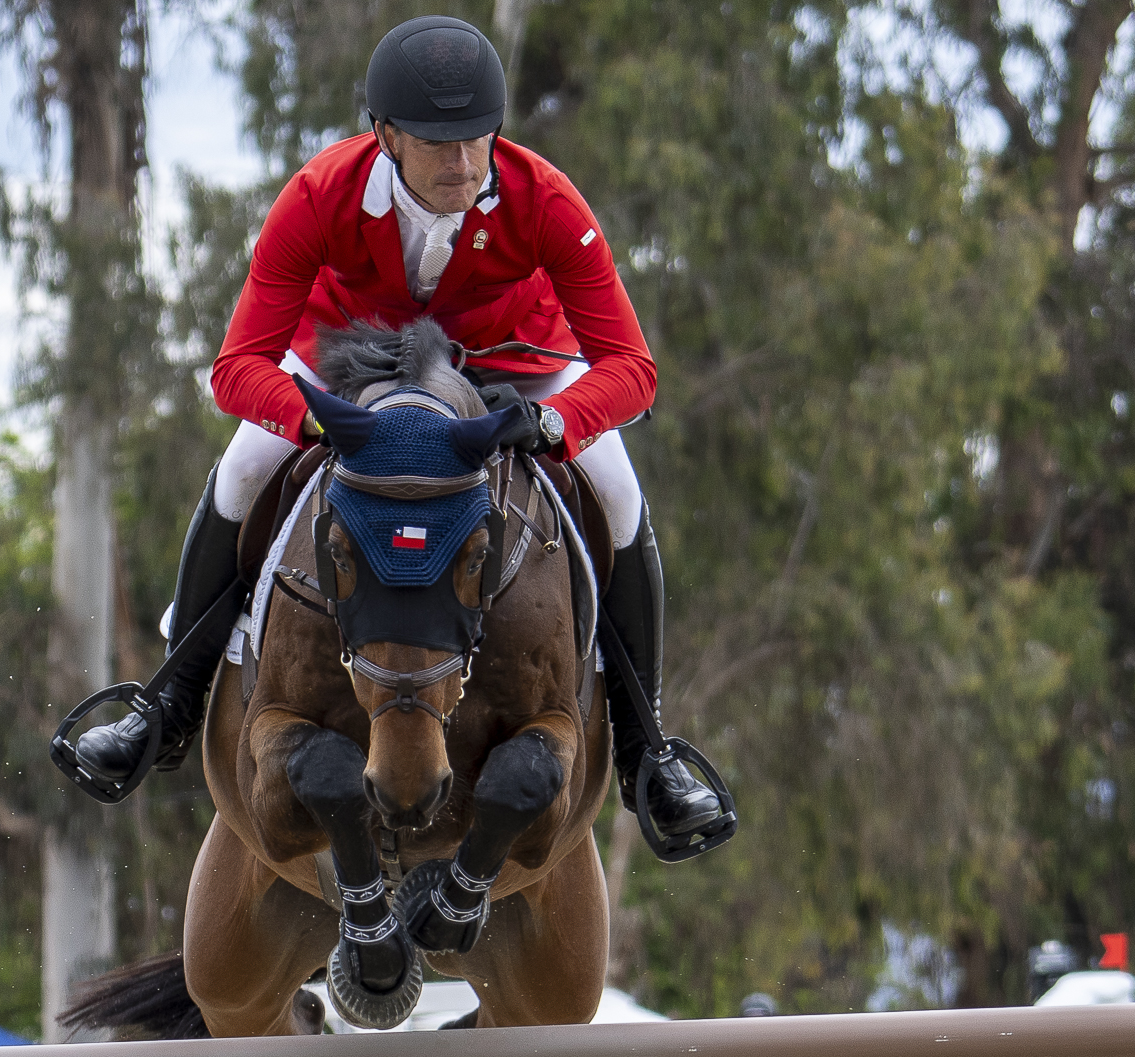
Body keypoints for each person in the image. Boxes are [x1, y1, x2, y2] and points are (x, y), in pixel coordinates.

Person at [75, 14, 722, 845]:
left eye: (477, 140)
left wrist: (556, 421)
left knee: (620, 492)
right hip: (354, 360)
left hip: (515, 361)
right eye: (435, 143)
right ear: (383, 134)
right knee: (242, 470)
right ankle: (165, 704)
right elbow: (237, 368)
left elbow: (633, 368)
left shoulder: (546, 199)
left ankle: (646, 749)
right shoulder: (319, 195)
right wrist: (312, 416)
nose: (462, 163)